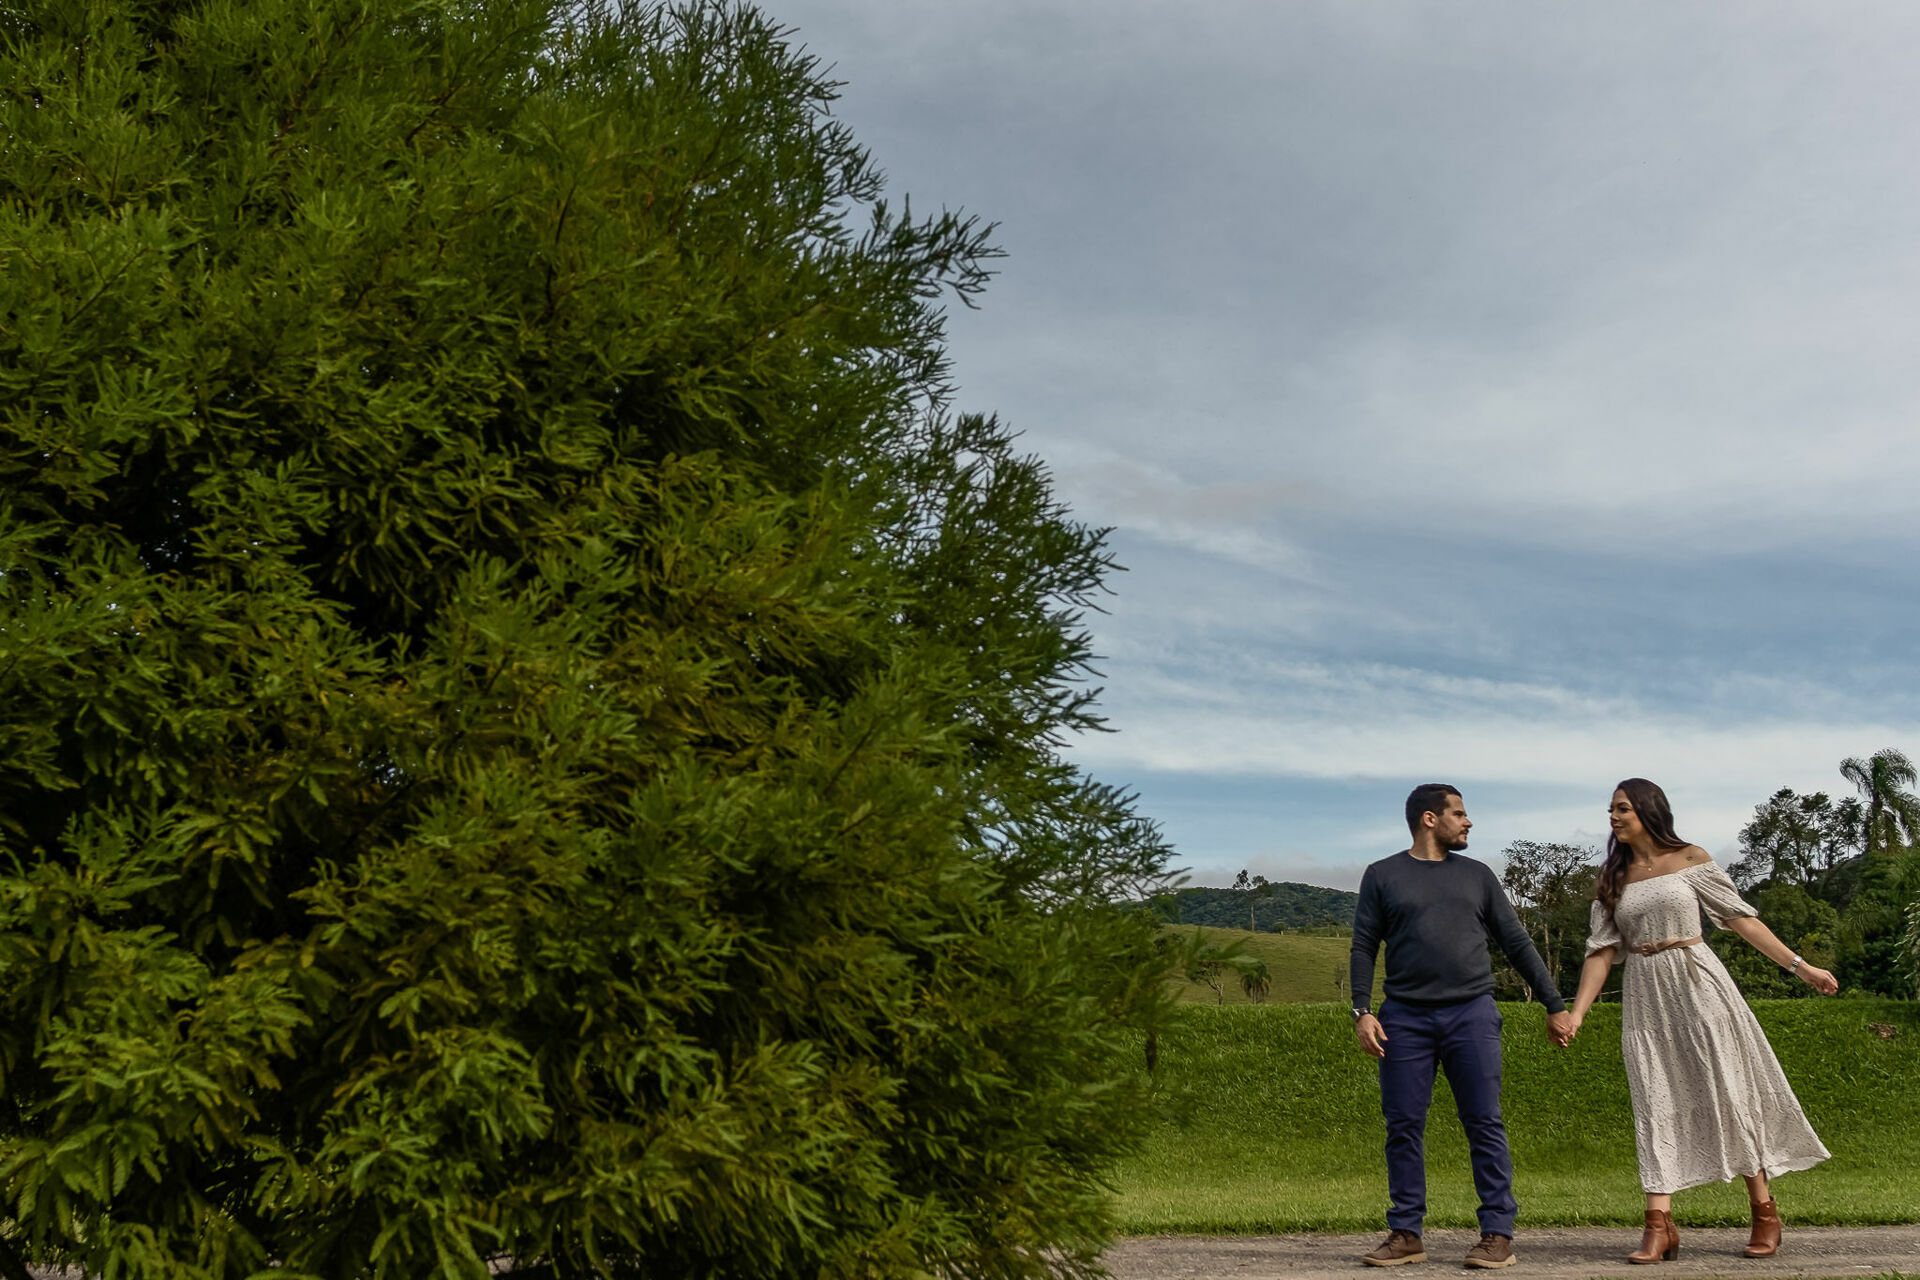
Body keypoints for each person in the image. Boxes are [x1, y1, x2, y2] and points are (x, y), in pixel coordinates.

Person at [1563, 778, 1836, 1264]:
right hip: (1646, 997)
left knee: (1731, 1090)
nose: (1613, 817)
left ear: (1648, 810)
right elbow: (1601, 951)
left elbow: (1740, 919)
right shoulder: (1613, 878)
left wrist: (1802, 967)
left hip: (1700, 985)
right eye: (1611, 810)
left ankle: (1764, 1212)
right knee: (1655, 1099)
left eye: (1622, 808)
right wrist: (1578, 1013)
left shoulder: (1690, 858)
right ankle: (1659, 1225)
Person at [1351, 784, 1575, 1269]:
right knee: (1403, 1126)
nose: (1468, 821)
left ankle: (1497, 1234)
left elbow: (1516, 941)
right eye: (1459, 813)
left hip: (1471, 1014)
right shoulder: (1382, 875)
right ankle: (1406, 1233)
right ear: (1430, 819)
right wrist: (1362, 1011)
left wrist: (1554, 1005)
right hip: (1403, 1018)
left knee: (1483, 1121)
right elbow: (1364, 945)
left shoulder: (1477, 876)